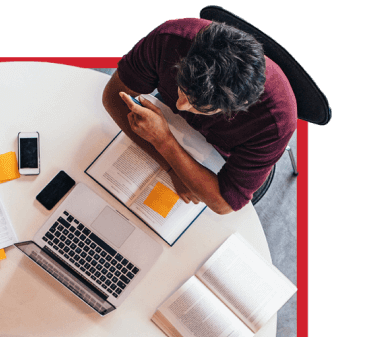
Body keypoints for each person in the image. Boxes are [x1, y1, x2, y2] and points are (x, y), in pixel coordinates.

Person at [102, 17, 297, 214]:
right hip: (175, 129)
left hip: (222, 157)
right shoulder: (171, 38)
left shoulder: (276, 122)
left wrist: (164, 141)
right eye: (181, 87)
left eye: (198, 105)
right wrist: (171, 167)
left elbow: (223, 204)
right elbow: (112, 96)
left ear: (237, 107)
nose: (180, 104)